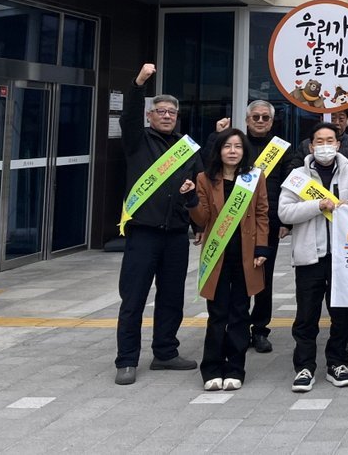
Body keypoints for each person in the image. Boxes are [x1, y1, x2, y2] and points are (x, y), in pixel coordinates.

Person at [114, 63, 200, 386]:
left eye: (171, 112)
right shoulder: (137, 140)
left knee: (171, 297)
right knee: (134, 298)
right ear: (150, 115)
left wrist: (193, 206)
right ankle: (126, 360)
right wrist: (138, 84)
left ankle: (165, 352)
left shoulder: (186, 149)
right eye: (160, 111)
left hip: (176, 234)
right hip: (143, 233)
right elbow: (128, 116)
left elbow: (199, 187)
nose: (166, 116)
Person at [279, 121, 348, 393]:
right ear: (311, 146)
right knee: (306, 315)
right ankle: (304, 367)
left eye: (330, 141)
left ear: (338, 144)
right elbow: (284, 212)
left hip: (343, 258)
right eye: (320, 141)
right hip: (310, 256)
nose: (325, 146)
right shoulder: (297, 177)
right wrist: (317, 205)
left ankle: (337, 363)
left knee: (342, 314)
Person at [188, 129, 270, 391]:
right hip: (217, 255)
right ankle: (212, 368)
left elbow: (262, 213)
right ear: (219, 151)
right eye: (227, 146)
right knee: (217, 314)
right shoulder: (204, 178)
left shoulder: (254, 177)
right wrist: (190, 199)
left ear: (244, 151)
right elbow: (201, 218)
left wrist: (261, 248)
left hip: (246, 256)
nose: (233, 151)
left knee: (240, 313)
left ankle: (235, 368)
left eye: (238, 146)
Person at [207, 100, 288, 355]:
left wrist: (284, 221)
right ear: (247, 120)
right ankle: (233, 327)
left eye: (265, 117)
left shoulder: (281, 149)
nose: (260, 121)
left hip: (266, 224)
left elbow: (288, 186)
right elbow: (210, 168)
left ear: (272, 122)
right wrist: (217, 137)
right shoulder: (236, 144)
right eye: (256, 117)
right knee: (231, 280)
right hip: (230, 224)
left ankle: (260, 329)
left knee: (263, 279)